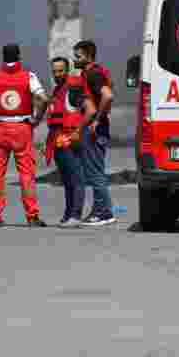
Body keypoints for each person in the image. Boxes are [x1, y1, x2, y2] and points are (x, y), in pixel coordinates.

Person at [0, 43, 49, 227]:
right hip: (22, 128)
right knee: (26, 174)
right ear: (19, 57)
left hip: (0, 128)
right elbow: (43, 98)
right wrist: (37, 119)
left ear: (3, 57)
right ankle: (32, 216)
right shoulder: (28, 76)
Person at [72, 39, 117, 226]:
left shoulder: (93, 74)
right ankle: (102, 211)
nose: (75, 60)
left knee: (95, 173)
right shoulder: (94, 73)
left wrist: (96, 120)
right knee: (96, 171)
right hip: (98, 127)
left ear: (88, 56)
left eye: (78, 56)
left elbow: (107, 96)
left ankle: (103, 213)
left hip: (94, 129)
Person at [44, 57, 86, 228]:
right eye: (54, 71)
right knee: (67, 181)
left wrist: (78, 132)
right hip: (58, 141)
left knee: (76, 179)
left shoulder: (73, 89)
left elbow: (87, 109)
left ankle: (76, 215)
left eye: (60, 71)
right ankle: (68, 213)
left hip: (70, 140)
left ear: (67, 70)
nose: (57, 74)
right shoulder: (57, 91)